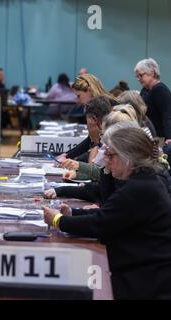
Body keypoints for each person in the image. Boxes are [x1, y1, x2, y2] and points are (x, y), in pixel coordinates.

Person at [42, 126, 171, 299]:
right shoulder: (142, 181)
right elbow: (110, 215)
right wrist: (73, 214)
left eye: (111, 155)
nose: (106, 160)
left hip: (145, 281)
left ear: (128, 157)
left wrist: (58, 220)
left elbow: (100, 224)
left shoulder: (139, 188)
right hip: (141, 271)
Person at [135, 58, 171, 142]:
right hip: (148, 135)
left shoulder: (160, 89)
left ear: (152, 73)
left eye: (141, 75)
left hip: (159, 137)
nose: (138, 79)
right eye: (137, 76)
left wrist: (169, 137)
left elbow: (167, 114)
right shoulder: (145, 89)